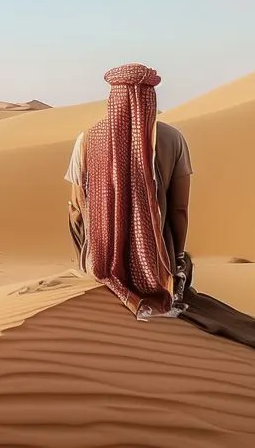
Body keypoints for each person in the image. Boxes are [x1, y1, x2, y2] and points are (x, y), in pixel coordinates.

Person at [64, 63, 193, 319]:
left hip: (97, 266)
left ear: (112, 98)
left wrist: (85, 257)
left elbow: (76, 209)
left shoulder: (87, 140)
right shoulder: (173, 139)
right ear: (151, 97)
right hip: (157, 267)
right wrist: (177, 260)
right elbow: (179, 209)